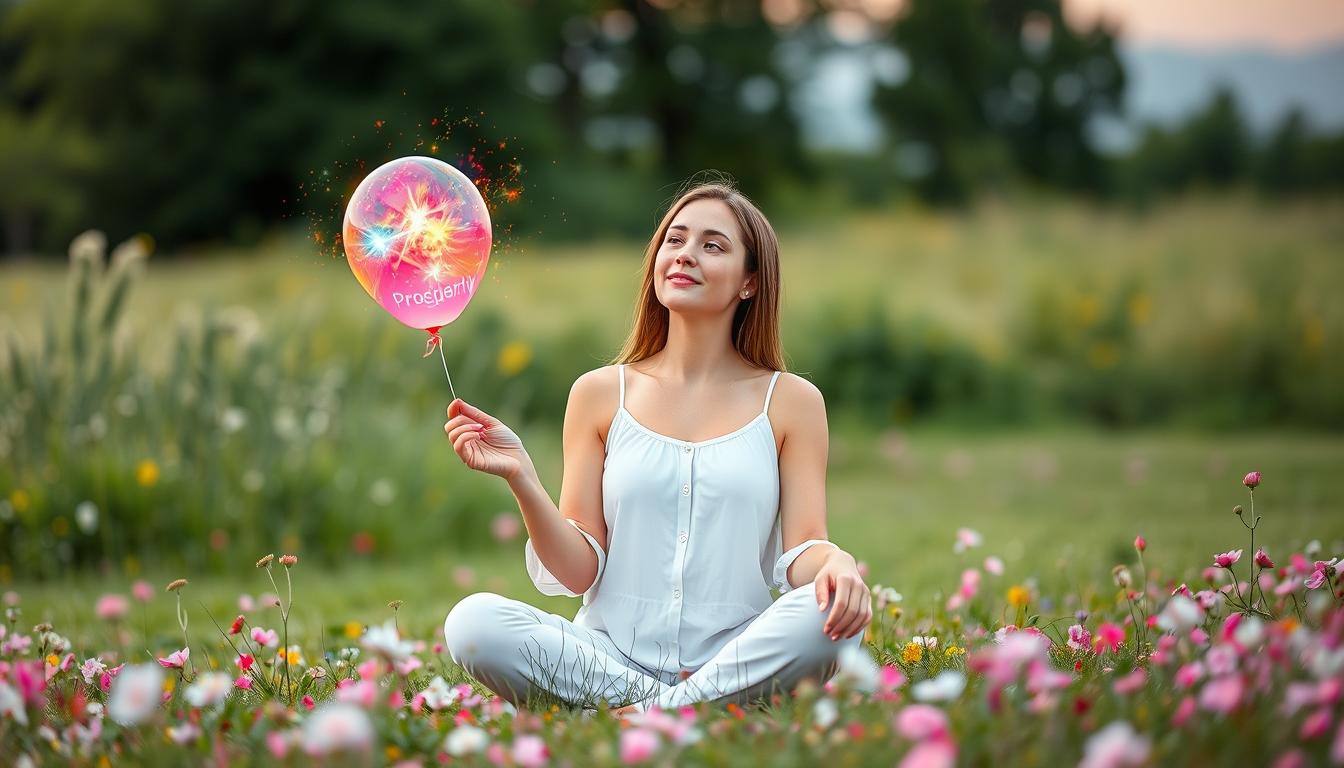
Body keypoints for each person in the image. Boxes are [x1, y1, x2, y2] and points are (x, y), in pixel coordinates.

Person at [441, 177, 872, 713]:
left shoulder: (791, 402)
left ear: (749, 283)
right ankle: (693, 709)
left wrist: (838, 565)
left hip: (732, 654)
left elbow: (804, 547)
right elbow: (578, 571)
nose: (685, 255)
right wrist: (522, 476)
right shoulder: (599, 393)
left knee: (829, 616)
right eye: (675, 239)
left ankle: (649, 714)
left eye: (713, 246)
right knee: (472, 623)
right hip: (606, 656)